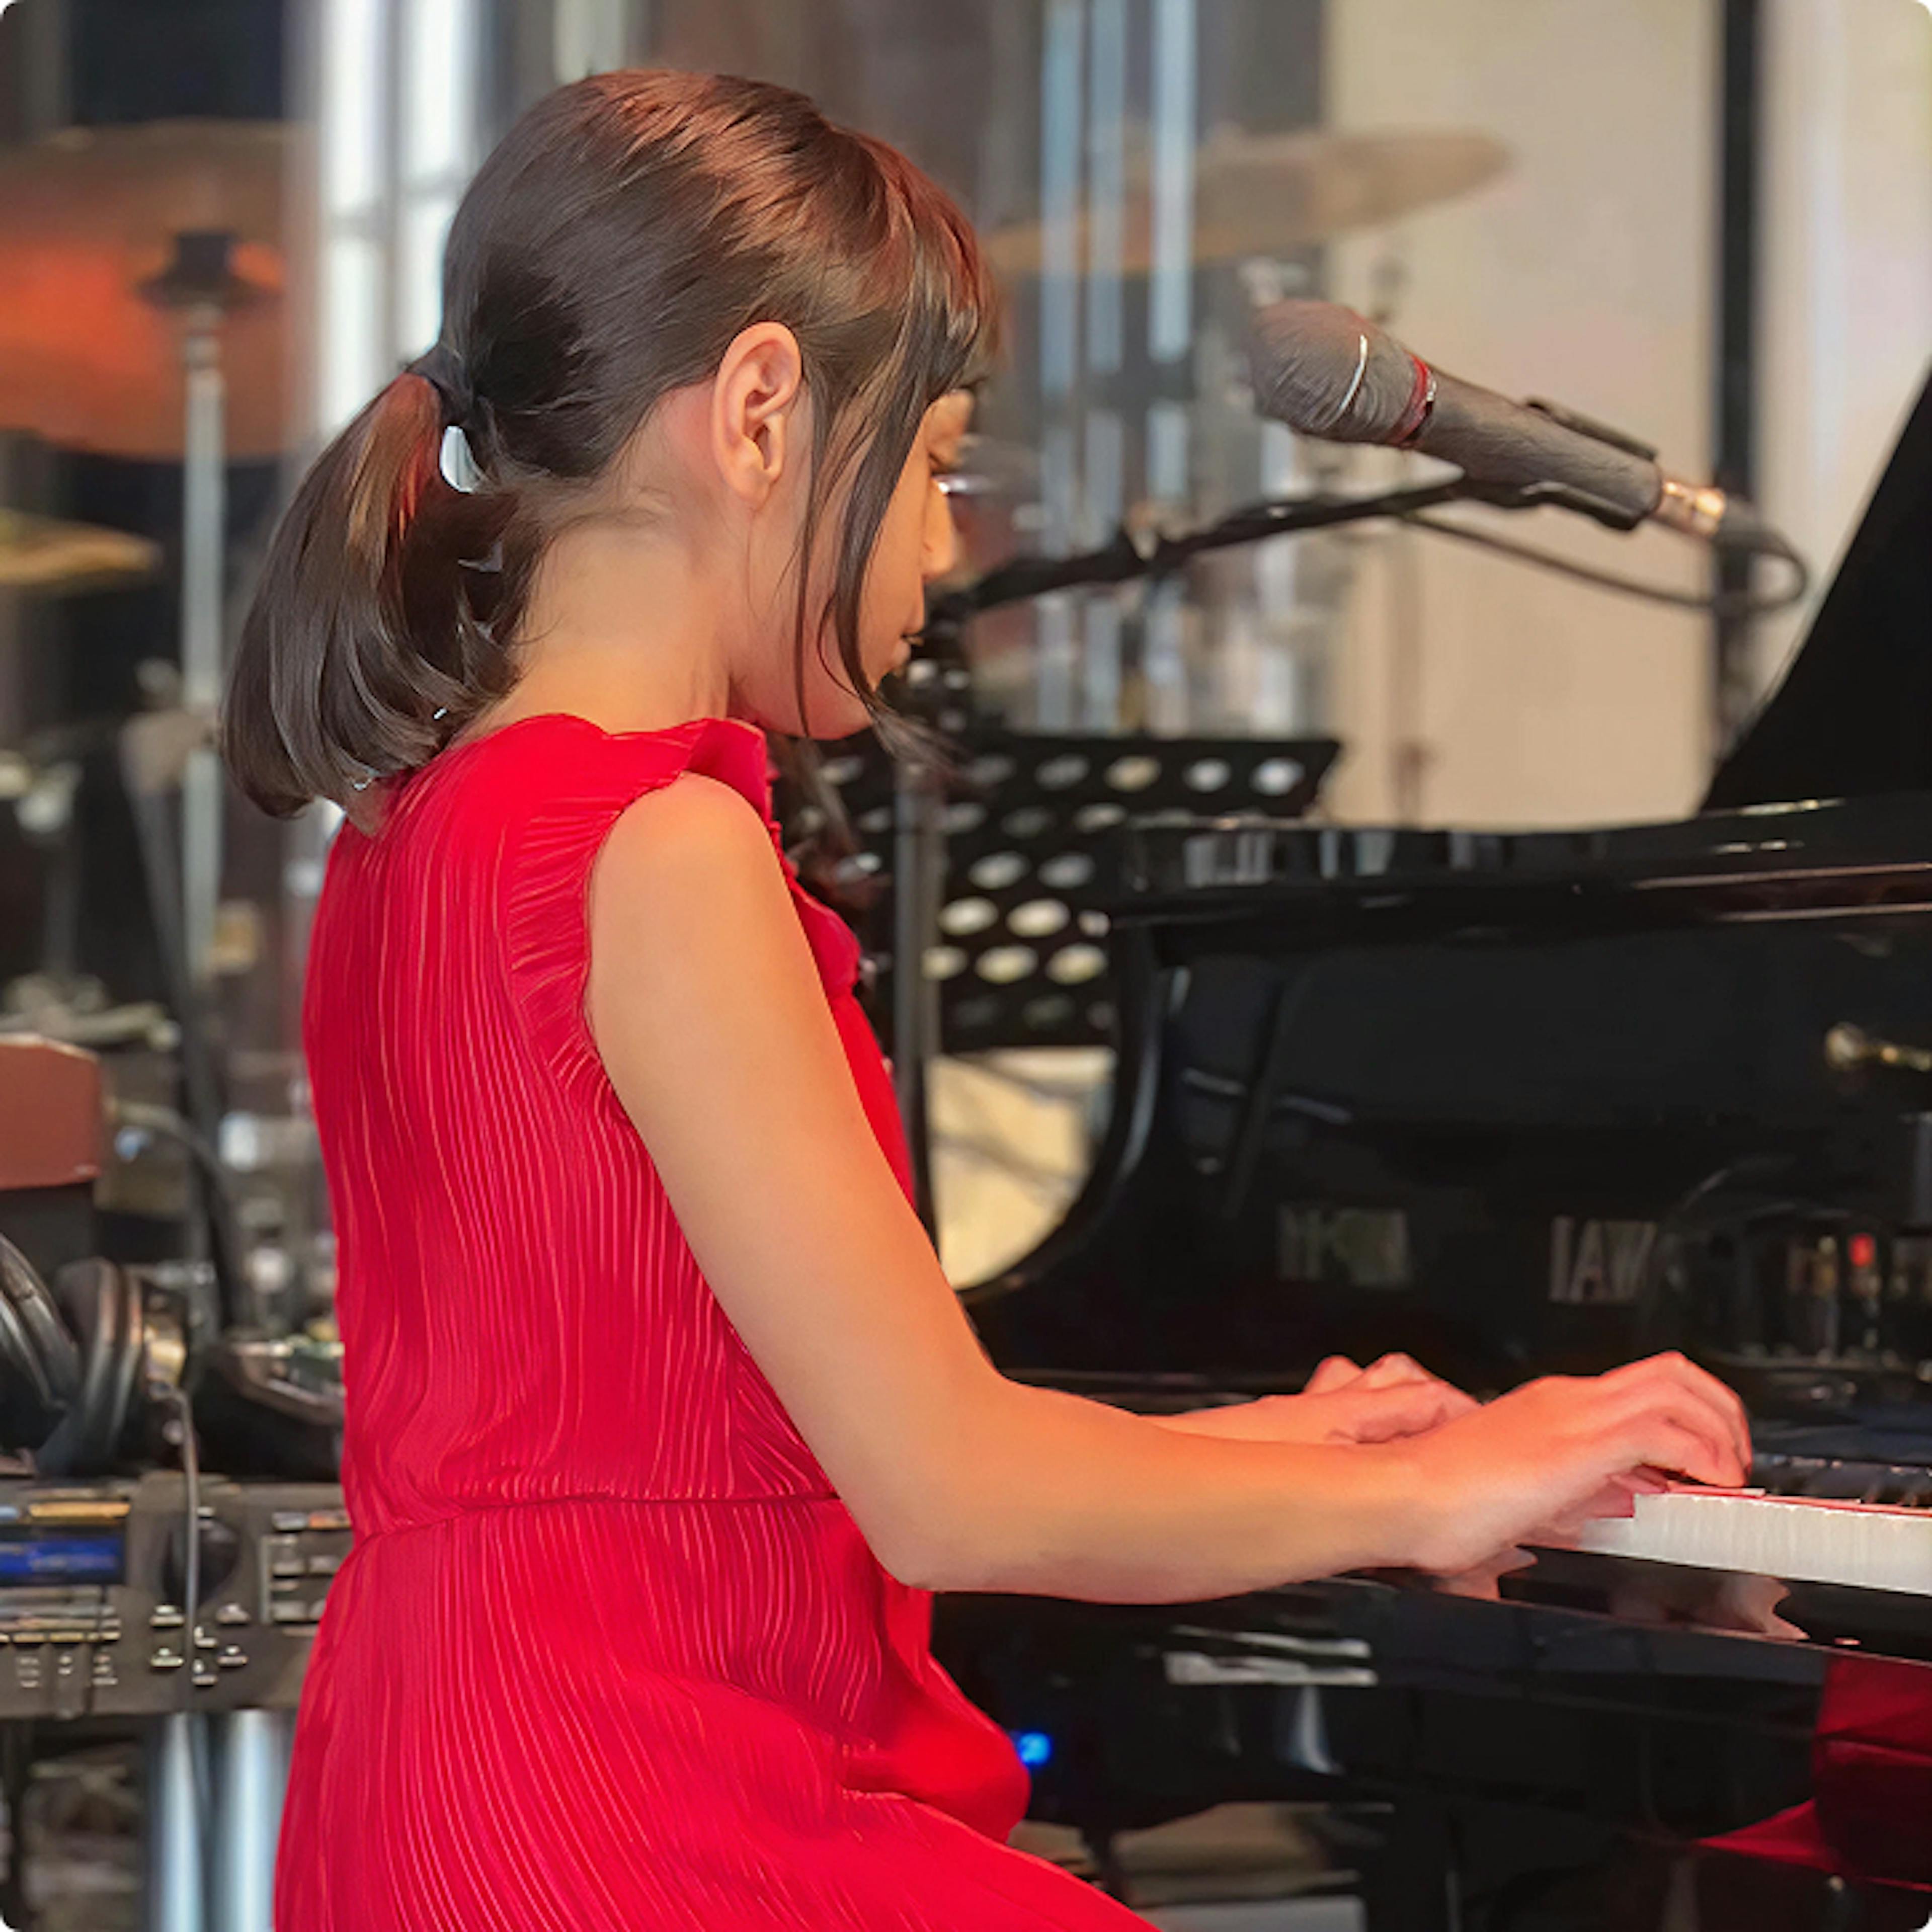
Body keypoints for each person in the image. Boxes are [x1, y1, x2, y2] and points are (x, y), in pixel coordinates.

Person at [221, 68, 1752, 1932]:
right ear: (762, 410)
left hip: (450, 1776)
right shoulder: (658, 846)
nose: (942, 552)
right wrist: (1443, 1494)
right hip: (643, 1802)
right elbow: (947, 1492)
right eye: (936, 468)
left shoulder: (417, 827)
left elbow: (696, 1441)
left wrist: (1289, 1443)